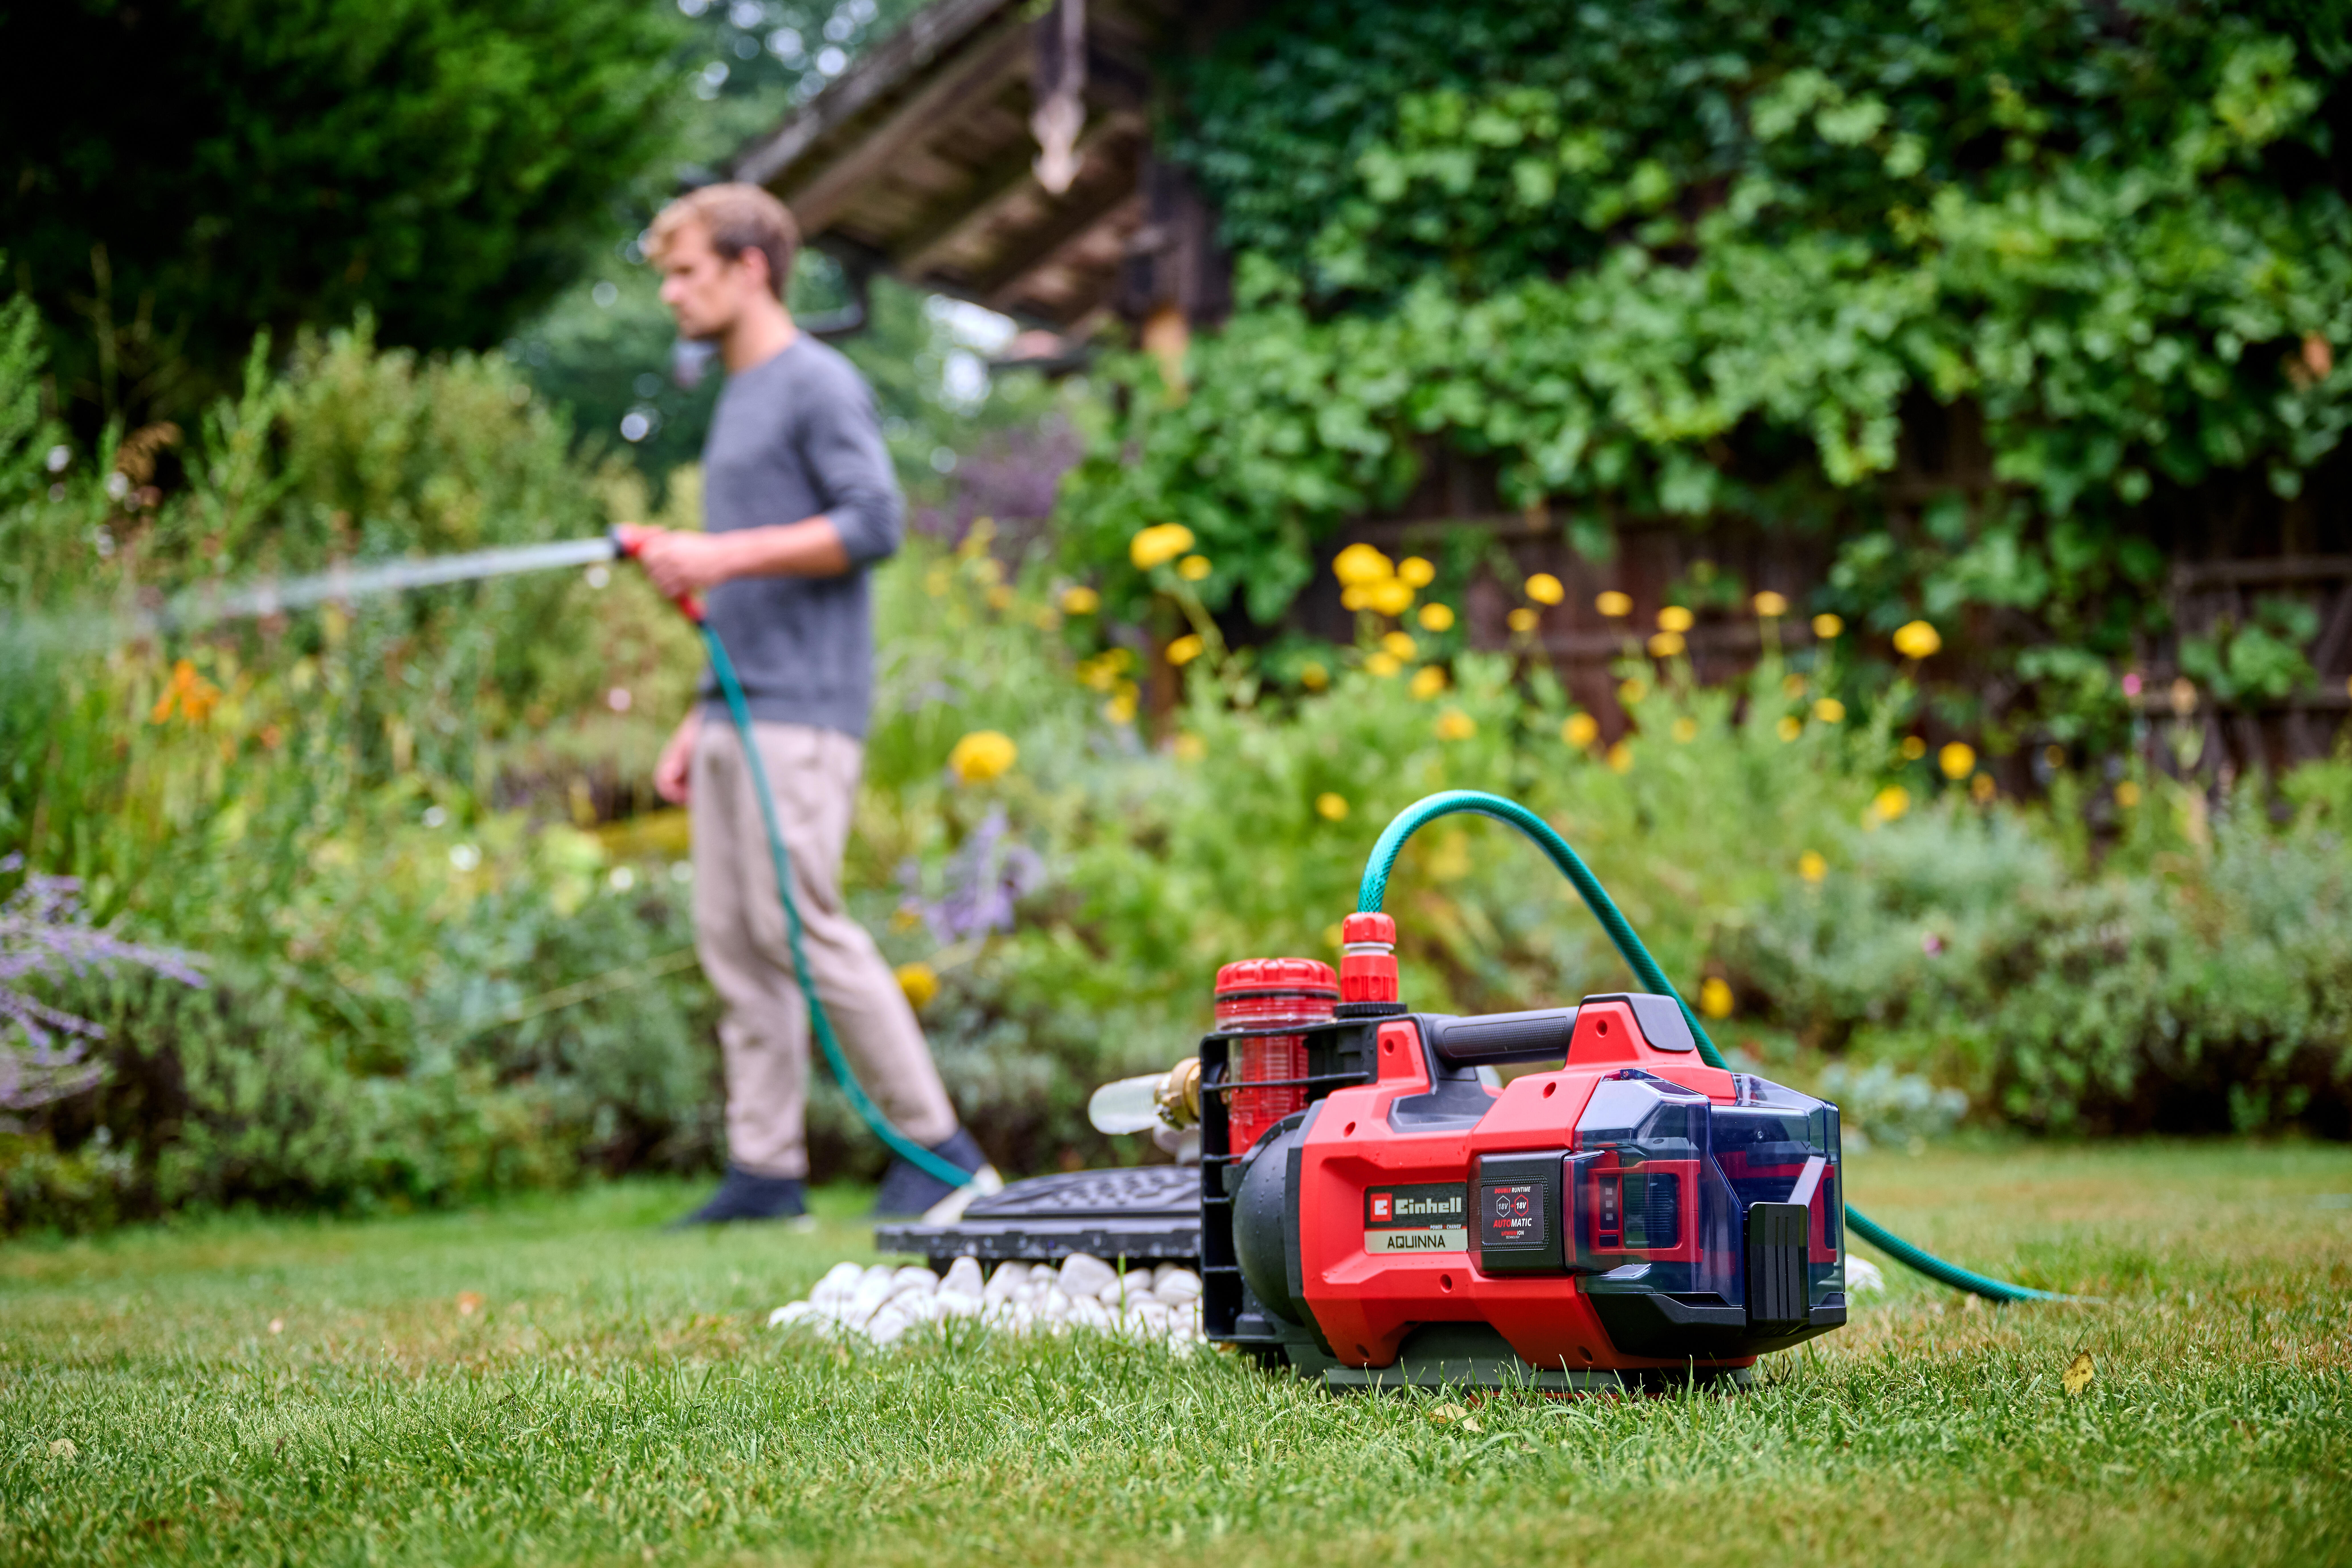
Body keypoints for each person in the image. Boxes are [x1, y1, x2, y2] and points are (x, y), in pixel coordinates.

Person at [623, 183, 988, 1223]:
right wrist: (700, 714)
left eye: (687, 272)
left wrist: (718, 555)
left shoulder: (816, 382)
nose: (671, 294)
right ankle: (765, 1172)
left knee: (804, 928)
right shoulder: (739, 394)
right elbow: (746, 586)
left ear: (750, 268)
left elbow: (874, 521)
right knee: (734, 942)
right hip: (739, 707)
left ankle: (943, 1154)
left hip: (804, 713)